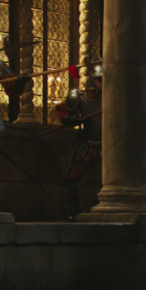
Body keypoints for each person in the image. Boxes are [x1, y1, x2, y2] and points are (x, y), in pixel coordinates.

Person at [56, 57, 102, 220]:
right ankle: (72, 212)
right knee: (70, 179)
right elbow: (65, 114)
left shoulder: (112, 98)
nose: (102, 83)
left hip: (109, 147)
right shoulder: (78, 97)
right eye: (99, 79)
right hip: (87, 145)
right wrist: (71, 119)